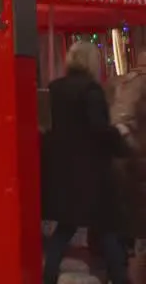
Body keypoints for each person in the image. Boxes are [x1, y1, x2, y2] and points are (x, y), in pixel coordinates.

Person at [43, 40, 132, 284]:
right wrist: (120, 134)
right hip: (91, 176)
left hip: (63, 174)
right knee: (107, 230)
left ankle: (48, 276)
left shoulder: (54, 89)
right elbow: (99, 131)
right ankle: (121, 279)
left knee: (65, 230)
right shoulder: (91, 91)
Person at [109, 50, 146, 283]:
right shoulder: (139, 84)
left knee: (136, 232)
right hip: (139, 163)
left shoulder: (122, 82)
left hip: (127, 165)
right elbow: (122, 122)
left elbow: (117, 123)